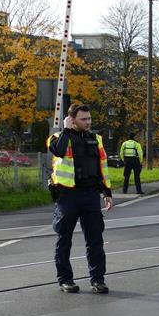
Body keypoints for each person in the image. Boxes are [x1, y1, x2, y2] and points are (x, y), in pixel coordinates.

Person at [47, 103, 113, 294]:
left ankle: (98, 280)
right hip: (67, 195)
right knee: (64, 239)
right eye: (83, 119)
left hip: (90, 195)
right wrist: (66, 130)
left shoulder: (96, 139)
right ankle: (65, 280)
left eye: (89, 118)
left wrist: (107, 192)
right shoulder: (57, 138)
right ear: (72, 120)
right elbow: (58, 151)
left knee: (95, 240)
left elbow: (103, 167)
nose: (88, 122)